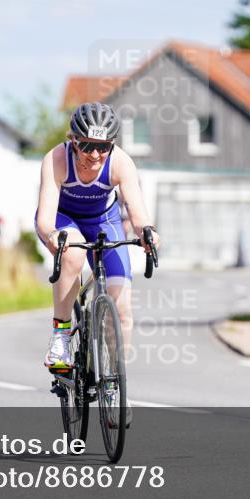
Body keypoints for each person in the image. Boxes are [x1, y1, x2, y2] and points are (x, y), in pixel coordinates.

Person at [35, 102, 160, 373]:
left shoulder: (121, 162)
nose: (95, 154)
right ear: (73, 141)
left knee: (123, 307)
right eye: (87, 145)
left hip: (104, 221)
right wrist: (53, 236)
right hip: (62, 219)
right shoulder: (56, 159)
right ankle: (61, 337)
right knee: (74, 254)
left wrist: (147, 234)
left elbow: (137, 213)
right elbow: (45, 219)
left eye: (103, 147)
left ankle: (115, 381)